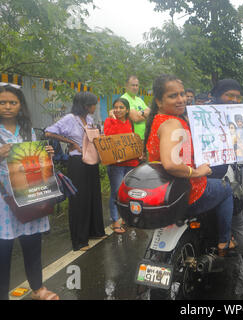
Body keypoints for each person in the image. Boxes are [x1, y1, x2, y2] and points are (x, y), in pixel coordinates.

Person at [143, 74, 236, 256]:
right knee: (227, 190)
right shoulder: (172, 123)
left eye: (182, 94)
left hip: (166, 191)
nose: (181, 99)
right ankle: (225, 241)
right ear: (159, 101)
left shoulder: (159, 120)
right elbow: (170, 164)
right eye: (173, 96)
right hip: (188, 191)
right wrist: (197, 172)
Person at [0, 83, 59, 300]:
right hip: (3, 201)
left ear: (20, 105)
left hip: (30, 195)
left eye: (12, 102)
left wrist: (46, 153)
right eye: (2, 102)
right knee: (3, 250)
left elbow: (37, 163)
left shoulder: (28, 131)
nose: (7, 106)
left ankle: (38, 288)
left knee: (32, 242)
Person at [209, 78, 243, 293]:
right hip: (211, 176)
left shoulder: (240, 117)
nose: (232, 100)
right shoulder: (200, 117)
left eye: (236, 97)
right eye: (228, 95)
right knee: (238, 221)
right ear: (217, 95)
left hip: (215, 173)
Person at [45, 91, 106, 252]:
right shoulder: (70, 119)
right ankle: (79, 240)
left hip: (91, 160)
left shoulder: (90, 119)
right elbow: (49, 131)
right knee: (80, 199)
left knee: (93, 196)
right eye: (93, 104)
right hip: (77, 162)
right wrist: (70, 142)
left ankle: (95, 231)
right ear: (85, 105)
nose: (95, 107)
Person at [104, 98, 140, 234]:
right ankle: (115, 220)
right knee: (116, 192)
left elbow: (132, 140)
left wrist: (138, 153)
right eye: (116, 107)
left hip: (131, 162)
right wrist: (113, 119)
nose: (118, 110)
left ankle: (125, 217)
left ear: (127, 110)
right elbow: (109, 137)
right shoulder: (109, 121)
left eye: (121, 107)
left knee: (128, 192)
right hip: (116, 164)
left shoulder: (130, 122)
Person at [121, 75, 150, 140]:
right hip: (131, 138)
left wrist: (141, 113)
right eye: (133, 85)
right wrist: (145, 114)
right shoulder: (124, 99)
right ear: (126, 86)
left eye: (137, 85)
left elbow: (150, 113)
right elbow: (135, 118)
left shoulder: (139, 99)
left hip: (143, 137)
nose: (135, 87)